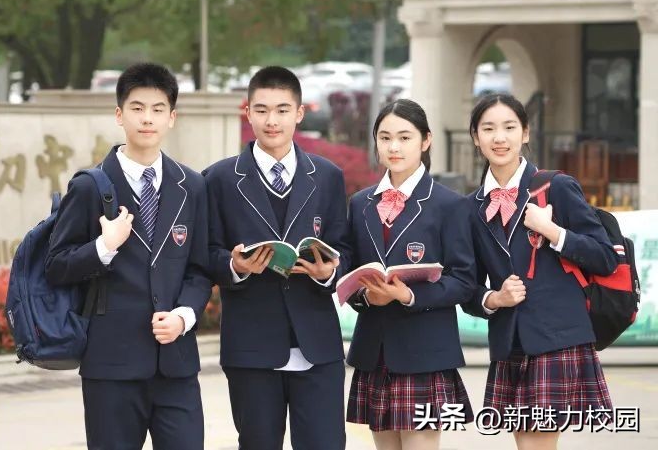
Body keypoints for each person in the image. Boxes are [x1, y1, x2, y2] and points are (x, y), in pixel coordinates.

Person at [45, 62, 212, 450]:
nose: (147, 119)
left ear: (172, 118)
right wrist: (104, 247)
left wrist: (184, 316)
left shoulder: (192, 186)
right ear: (120, 115)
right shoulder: (90, 187)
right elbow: (57, 266)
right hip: (111, 366)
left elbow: (200, 269)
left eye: (157, 109)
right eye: (137, 108)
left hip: (176, 365)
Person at [202, 65, 350, 450]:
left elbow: (343, 248)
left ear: (299, 113)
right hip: (251, 346)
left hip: (318, 345)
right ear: (247, 112)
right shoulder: (218, 179)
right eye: (262, 109)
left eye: (283, 110)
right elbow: (204, 253)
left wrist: (326, 273)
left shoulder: (328, 176)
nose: (272, 120)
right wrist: (234, 265)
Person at [463, 93, 616, 450]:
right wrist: (493, 298)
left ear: (525, 133)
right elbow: (466, 285)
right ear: (475, 137)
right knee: (526, 443)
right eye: (488, 128)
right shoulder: (470, 207)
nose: (499, 137)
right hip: (509, 339)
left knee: (537, 445)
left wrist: (553, 232)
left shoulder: (556, 187)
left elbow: (605, 257)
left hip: (557, 336)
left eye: (509, 127)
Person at [344, 99, 476, 449]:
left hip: (425, 352)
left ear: (426, 140)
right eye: (385, 137)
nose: (394, 147)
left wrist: (408, 295)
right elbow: (353, 270)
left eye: (405, 137)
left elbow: (464, 280)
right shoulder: (360, 204)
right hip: (375, 351)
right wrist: (363, 294)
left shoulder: (450, 204)